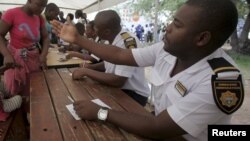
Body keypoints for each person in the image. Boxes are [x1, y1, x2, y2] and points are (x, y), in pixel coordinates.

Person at [51, 0, 244, 140]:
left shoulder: (220, 81)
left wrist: (102, 113)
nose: (167, 28)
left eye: (177, 25)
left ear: (201, 38)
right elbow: (120, 56)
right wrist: (79, 40)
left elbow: (158, 128)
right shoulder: (166, 49)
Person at [68, 10, 150, 106]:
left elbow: (118, 80)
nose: (94, 29)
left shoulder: (127, 42)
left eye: (96, 27)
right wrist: (92, 68)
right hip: (119, 89)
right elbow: (109, 63)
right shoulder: (110, 40)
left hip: (133, 94)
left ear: (107, 31)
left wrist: (87, 72)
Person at [0, 0, 49, 113]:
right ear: (29, 1)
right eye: (39, 4)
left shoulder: (39, 18)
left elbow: (46, 38)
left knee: (32, 91)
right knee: (15, 91)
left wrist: (43, 55)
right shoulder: (11, 14)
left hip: (32, 59)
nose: (41, 9)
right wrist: (6, 55)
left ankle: (29, 118)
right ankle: (18, 119)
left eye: (44, 6)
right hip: (15, 61)